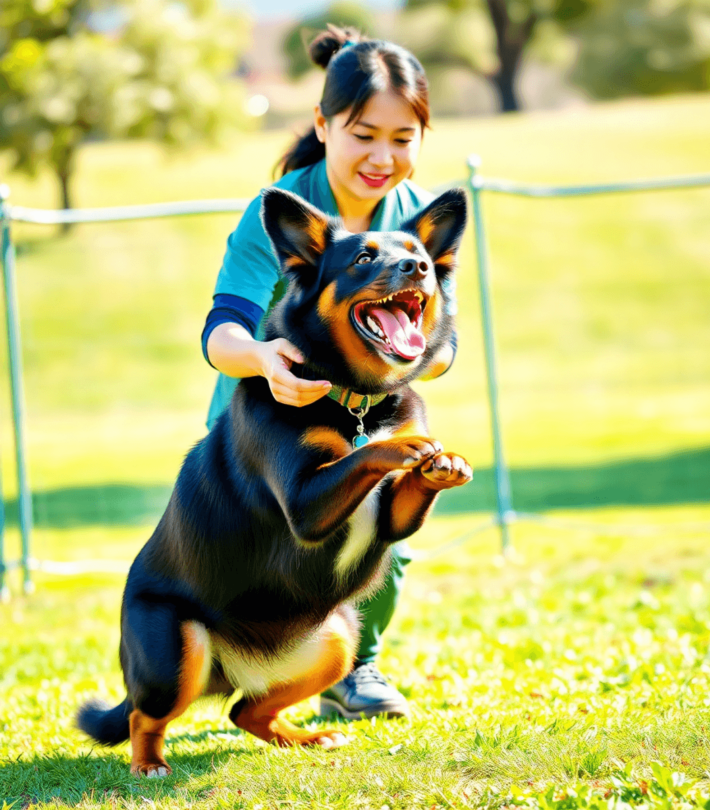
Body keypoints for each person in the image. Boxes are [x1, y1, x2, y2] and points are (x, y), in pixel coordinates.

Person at [201, 26, 457, 720]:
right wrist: (262, 359)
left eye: (403, 138)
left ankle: (356, 669)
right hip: (263, 422)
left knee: (379, 534)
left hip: (365, 419)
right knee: (261, 557)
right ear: (322, 124)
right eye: (363, 134)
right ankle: (223, 668)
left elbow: (441, 341)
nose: (383, 156)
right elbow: (222, 330)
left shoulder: (416, 218)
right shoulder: (280, 210)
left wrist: (414, 357)